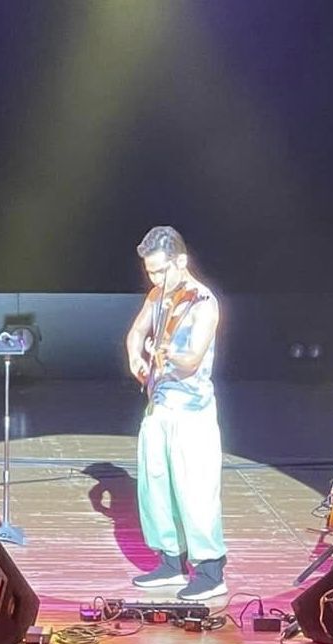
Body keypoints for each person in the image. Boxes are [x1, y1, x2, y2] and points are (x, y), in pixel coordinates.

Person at [123, 226, 228, 600]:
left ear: (180, 261)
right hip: (159, 406)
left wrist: (166, 353)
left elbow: (192, 359)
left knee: (194, 489)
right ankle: (170, 561)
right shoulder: (158, 296)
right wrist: (136, 358)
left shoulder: (203, 302)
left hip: (192, 411)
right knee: (156, 486)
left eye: (161, 271)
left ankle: (211, 570)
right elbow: (136, 334)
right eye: (150, 272)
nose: (155, 279)